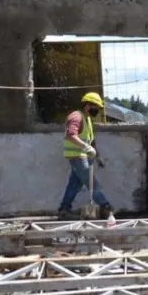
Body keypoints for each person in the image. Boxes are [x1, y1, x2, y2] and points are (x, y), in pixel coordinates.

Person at [58, 92, 114, 220]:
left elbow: (91, 141)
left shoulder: (87, 119)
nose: (98, 111)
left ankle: (64, 209)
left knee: (74, 184)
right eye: (96, 108)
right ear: (88, 105)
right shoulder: (76, 116)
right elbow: (71, 135)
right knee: (92, 183)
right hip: (77, 156)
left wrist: (98, 156)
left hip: (83, 156)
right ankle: (107, 208)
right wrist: (86, 147)